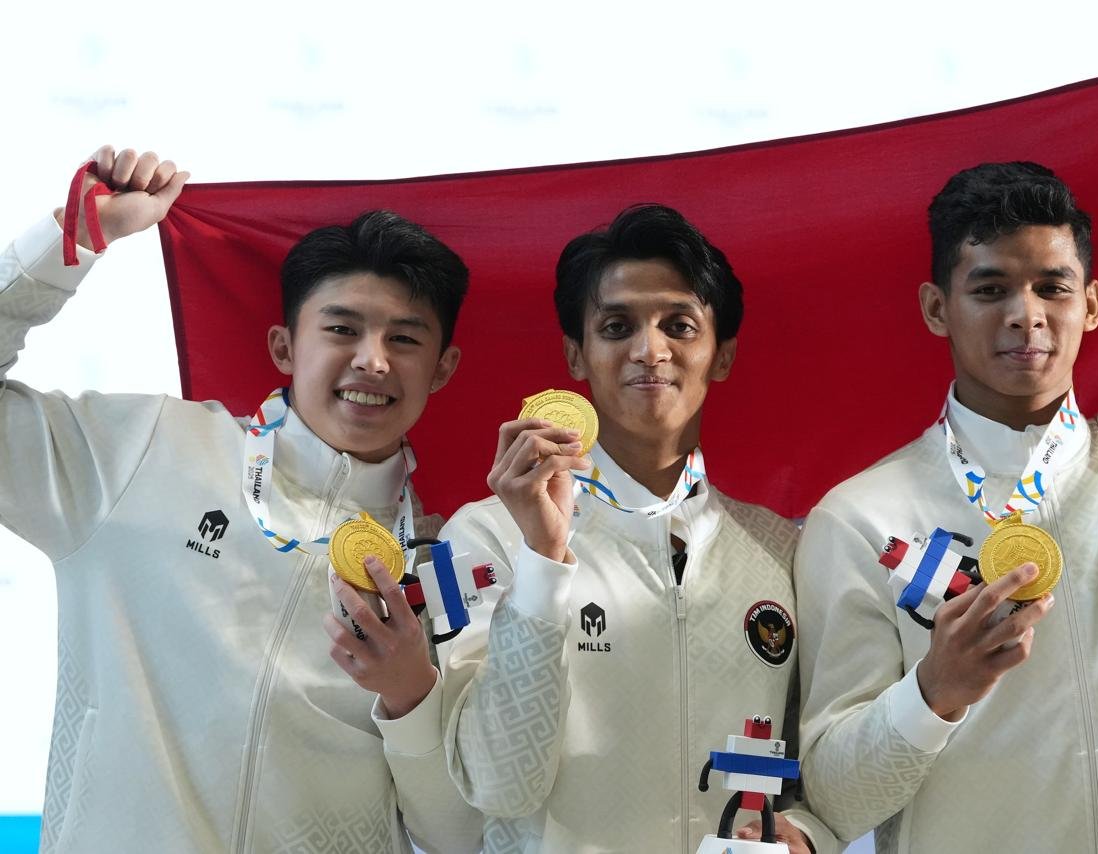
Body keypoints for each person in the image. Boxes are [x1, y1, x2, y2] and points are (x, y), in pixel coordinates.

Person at [0, 146, 482, 853]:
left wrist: (412, 696)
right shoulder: (142, 451)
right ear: (284, 347)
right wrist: (68, 241)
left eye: (404, 339)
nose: (373, 360)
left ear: (442, 368)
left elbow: (460, 836)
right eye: (342, 329)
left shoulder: (453, 563)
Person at [795, 161, 1098, 852]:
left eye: (1053, 287)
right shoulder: (859, 520)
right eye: (990, 289)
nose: (1027, 314)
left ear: (1092, 304)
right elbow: (835, 800)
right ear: (936, 308)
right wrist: (934, 692)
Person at [436, 204, 839, 853]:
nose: (649, 351)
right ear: (576, 354)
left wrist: (809, 836)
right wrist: (543, 561)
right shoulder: (484, 540)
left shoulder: (781, 548)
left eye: (679, 325)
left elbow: (818, 759)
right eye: (617, 326)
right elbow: (499, 785)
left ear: (722, 355)